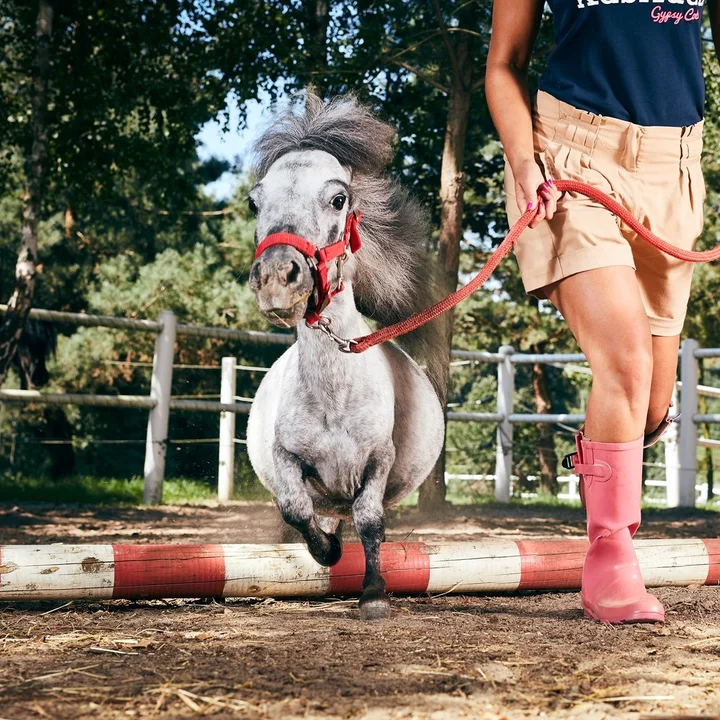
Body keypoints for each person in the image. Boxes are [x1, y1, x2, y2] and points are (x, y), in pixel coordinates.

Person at [486, 0, 719, 624]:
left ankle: (600, 470)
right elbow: (502, 66)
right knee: (626, 359)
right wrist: (521, 158)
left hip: (676, 173)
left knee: (649, 406)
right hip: (571, 157)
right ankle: (610, 554)